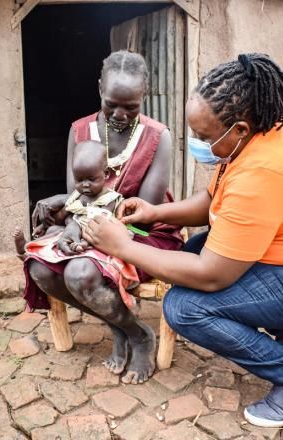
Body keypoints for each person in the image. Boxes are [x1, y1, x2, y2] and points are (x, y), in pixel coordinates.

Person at [83, 53, 283, 427]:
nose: (197, 143)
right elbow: (211, 203)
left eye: (205, 137)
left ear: (239, 128)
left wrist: (123, 247)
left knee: (184, 309)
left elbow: (212, 275)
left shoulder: (261, 171)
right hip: (270, 252)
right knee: (188, 252)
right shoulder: (254, 138)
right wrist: (154, 212)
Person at [22, 50, 183, 384]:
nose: (120, 115)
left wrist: (78, 220)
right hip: (84, 223)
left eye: (131, 107)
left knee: (80, 273)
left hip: (139, 233)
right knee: (40, 268)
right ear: (99, 89)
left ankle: (139, 336)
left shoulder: (158, 137)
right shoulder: (79, 131)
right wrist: (69, 225)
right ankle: (124, 326)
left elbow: (142, 210)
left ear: (145, 95)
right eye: (112, 104)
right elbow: (76, 196)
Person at [15, 140, 139, 308]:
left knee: (87, 238)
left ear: (106, 174)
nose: (85, 185)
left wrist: (73, 223)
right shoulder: (76, 195)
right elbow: (67, 216)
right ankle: (27, 247)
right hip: (73, 232)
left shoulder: (110, 199)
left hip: (99, 235)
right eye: (79, 180)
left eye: (91, 179)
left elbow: (98, 219)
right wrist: (48, 223)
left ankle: (78, 247)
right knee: (53, 230)